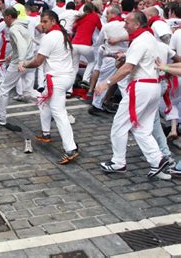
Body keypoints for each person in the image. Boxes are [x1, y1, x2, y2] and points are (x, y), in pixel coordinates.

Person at [95, 11, 170, 179]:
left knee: (120, 125)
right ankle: (157, 160)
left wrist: (106, 83)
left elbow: (128, 68)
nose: (124, 24)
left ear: (137, 25)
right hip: (153, 86)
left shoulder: (139, 40)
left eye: (127, 22)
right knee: (142, 128)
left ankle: (118, 162)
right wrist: (126, 56)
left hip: (141, 87)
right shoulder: (149, 38)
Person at [20, 10, 79, 165]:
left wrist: (24, 64)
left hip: (56, 79)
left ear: (53, 21)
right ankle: (46, 133)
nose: (42, 24)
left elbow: (38, 61)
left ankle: (71, 148)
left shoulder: (51, 36)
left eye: (45, 21)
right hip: (63, 77)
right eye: (41, 21)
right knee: (42, 101)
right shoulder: (61, 33)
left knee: (59, 113)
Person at [0, 7, 33, 126]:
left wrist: (20, 61)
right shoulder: (22, 26)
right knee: (29, 91)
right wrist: (12, 55)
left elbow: (22, 45)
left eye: (4, 18)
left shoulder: (13, 29)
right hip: (29, 59)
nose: (3, 20)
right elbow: (25, 43)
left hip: (20, 62)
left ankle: (0, 117)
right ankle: (50, 103)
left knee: (4, 88)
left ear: (8, 17)